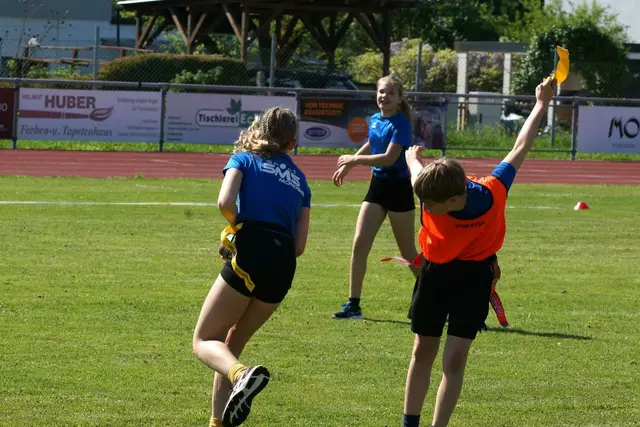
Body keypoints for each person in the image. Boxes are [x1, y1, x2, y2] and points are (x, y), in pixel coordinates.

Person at [401, 78, 557, 427]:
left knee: (455, 359)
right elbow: (417, 178)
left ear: (456, 199)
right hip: (435, 274)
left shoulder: (493, 190)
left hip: (474, 277)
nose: (424, 208)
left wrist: (541, 103)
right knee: (423, 350)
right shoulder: (431, 191)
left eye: (430, 204)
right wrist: (413, 159)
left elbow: (520, 145)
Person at [192, 107, 311, 427]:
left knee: (203, 341)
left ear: (260, 129)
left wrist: (237, 231)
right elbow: (299, 246)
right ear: (292, 143)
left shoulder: (244, 159)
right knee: (231, 345)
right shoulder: (301, 181)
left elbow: (225, 203)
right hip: (283, 266)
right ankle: (219, 421)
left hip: (253, 250)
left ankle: (241, 374)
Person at [332, 74, 420, 319]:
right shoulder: (374, 120)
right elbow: (372, 143)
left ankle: (435, 293)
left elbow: (389, 158)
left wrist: (354, 160)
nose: (385, 96)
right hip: (377, 187)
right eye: (382, 91)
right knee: (359, 244)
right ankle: (353, 305)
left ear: (400, 98)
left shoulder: (401, 124)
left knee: (408, 252)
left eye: (391, 93)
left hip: (399, 189)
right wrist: (348, 165)